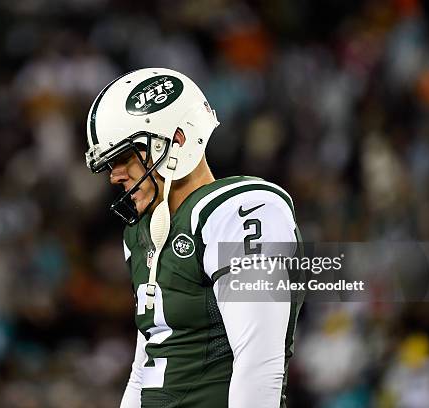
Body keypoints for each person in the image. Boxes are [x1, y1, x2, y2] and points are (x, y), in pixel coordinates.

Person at [85, 68, 303, 408]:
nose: (114, 175)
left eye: (124, 157)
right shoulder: (140, 232)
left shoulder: (241, 209)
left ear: (177, 141)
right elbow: (145, 365)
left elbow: (260, 365)